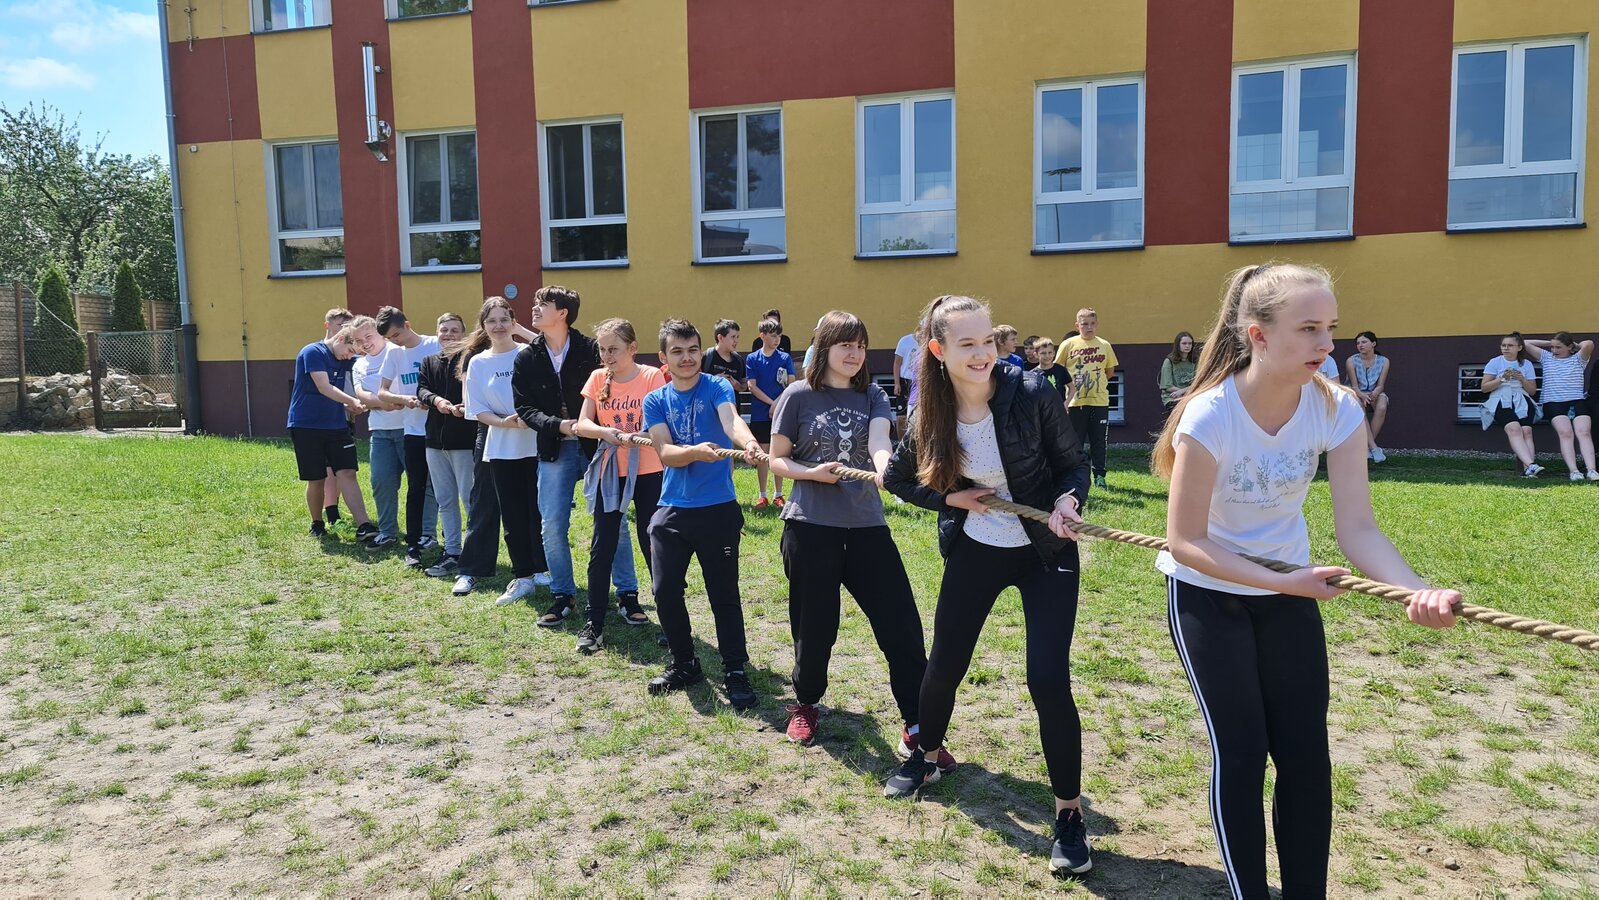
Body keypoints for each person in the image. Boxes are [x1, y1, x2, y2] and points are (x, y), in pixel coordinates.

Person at [1153, 263, 1460, 899]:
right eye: (1310, 329)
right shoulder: (1209, 415)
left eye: (1331, 329)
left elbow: (1360, 530)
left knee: (1305, 756)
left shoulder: (1336, 408)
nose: (1327, 344)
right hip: (1208, 594)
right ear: (1257, 335)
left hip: (1288, 597)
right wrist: (1291, 583)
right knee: (1242, 752)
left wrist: (1415, 590)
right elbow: (1187, 542)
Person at [883, 295, 1094, 876]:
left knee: (1047, 679)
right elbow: (898, 479)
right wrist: (952, 499)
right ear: (938, 350)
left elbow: (1074, 464)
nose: (983, 355)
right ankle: (926, 755)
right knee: (945, 663)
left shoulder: (1031, 391)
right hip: (978, 547)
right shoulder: (931, 410)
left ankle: (1069, 814)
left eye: (987, 342)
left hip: (1045, 549)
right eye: (967, 344)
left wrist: (1068, 501)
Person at [767, 310, 944, 756]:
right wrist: (812, 473)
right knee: (814, 627)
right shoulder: (798, 395)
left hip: (867, 527)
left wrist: (885, 469)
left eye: (861, 345)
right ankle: (807, 703)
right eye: (846, 344)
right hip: (809, 526)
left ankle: (918, 725)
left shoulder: (873, 395)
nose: (855, 353)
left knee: (902, 628)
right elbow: (777, 459)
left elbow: (881, 441)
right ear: (824, 347)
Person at [642, 319, 763, 709]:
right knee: (664, 592)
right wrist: (695, 451)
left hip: (718, 510)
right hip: (672, 510)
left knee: (723, 595)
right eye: (677, 352)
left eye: (693, 350)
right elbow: (665, 453)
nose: (687, 358)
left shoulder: (717, 386)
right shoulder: (655, 400)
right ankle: (684, 663)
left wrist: (748, 443)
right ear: (664, 358)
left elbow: (732, 421)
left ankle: (735, 670)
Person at [512, 285, 637, 627]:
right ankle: (563, 595)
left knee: (613, 518)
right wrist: (559, 425)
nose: (534, 308)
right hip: (554, 447)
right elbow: (525, 408)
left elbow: (615, 385)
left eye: (542, 303)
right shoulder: (526, 357)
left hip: (597, 446)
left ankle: (627, 594)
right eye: (535, 302)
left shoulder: (591, 349)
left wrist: (598, 428)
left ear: (563, 313)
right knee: (552, 524)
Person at [570, 318, 668, 652]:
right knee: (603, 546)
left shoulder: (651, 376)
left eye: (613, 349)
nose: (607, 355)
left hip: (649, 470)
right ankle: (594, 623)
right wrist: (605, 432)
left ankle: (671, 621)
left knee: (654, 544)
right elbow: (583, 423)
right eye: (602, 349)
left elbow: (660, 421)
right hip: (611, 470)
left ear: (632, 348)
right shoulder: (598, 378)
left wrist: (640, 435)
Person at [463, 298, 551, 605]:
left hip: (536, 442)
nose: (498, 326)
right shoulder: (478, 362)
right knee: (513, 514)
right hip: (501, 445)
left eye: (504, 319)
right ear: (483, 326)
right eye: (492, 321)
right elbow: (476, 409)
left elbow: (552, 346)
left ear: (513, 322)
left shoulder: (529, 353)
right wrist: (505, 423)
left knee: (540, 509)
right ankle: (523, 575)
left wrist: (530, 418)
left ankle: (544, 569)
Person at [287, 318, 377, 543]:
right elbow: (324, 386)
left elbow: (368, 362)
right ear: (340, 338)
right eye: (349, 350)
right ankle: (317, 523)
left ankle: (364, 525)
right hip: (306, 424)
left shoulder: (345, 356)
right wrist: (352, 401)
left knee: (347, 472)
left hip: (336, 425)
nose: (349, 356)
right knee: (316, 478)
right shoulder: (313, 352)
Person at [376, 307, 441, 566]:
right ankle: (413, 546)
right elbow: (382, 392)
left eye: (396, 334)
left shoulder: (434, 344)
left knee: (446, 490)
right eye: (389, 338)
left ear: (407, 324)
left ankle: (452, 545)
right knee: (416, 487)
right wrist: (405, 399)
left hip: (441, 429)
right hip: (414, 431)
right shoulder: (394, 353)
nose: (395, 340)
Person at [416, 313, 476, 578]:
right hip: (434, 441)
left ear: (463, 334)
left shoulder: (472, 360)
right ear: (437, 333)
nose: (449, 334)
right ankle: (452, 551)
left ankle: (475, 551)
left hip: (464, 441)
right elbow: (421, 389)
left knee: (469, 498)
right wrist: (436, 401)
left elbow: (478, 394)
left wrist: (467, 407)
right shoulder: (429, 361)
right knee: (445, 499)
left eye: (454, 330)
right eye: (444, 330)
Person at [1055, 308, 1118, 489]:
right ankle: (1074, 475)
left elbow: (1110, 372)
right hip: (1075, 402)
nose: (1089, 327)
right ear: (1077, 325)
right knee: (1075, 442)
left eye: (1092, 324)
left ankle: (1099, 476)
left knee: (1099, 441)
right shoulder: (1068, 344)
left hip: (1099, 402)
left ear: (1097, 324)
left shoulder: (1104, 345)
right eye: (1084, 324)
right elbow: (1058, 371)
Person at [1526, 333, 1597, 481]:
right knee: (1566, 433)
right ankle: (1574, 471)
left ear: (1569, 347)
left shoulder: (1579, 359)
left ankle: (1592, 470)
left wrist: (1575, 346)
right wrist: (1549, 343)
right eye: (1552, 347)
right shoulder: (1546, 357)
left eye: (1558, 347)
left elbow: (1589, 343)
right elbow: (1525, 343)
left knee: (1584, 433)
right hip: (1553, 402)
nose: (1554, 350)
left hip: (1577, 401)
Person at [745, 317, 797, 508]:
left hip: (780, 412)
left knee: (779, 452)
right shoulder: (752, 358)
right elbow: (752, 386)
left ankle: (778, 494)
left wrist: (777, 404)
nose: (777, 340)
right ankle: (762, 494)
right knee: (763, 454)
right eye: (773, 336)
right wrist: (771, 403)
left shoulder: (784, 358)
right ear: (763, 336)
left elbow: (791, 383)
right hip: (760, 413)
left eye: (779, 336)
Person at [1479, 332, 1542, 477]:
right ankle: (1531, 465)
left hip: (1522, 398)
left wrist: (1522, 379)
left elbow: (1532, 391)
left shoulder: (1526, 364)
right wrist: (1502, 378)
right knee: (1514, 429)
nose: (1506, 348)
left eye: (1510, 345)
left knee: (1527, 431)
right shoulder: (1495, 362)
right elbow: (1484, 388)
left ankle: (1529, 470)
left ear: (1519, 347)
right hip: (1501, 399)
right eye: (1503, 345)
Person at [320, 307, 355, 524]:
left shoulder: (349, 352)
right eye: (341, 325)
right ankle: (330, 510)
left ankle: (335, 504)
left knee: (343, 466)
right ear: (328, 325)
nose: (345, 330)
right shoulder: (319, 352)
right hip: (325, 419)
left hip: (345, 416)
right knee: (328, 468)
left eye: (348, 326)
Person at [1346, 332, 1391, 463]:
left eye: (1364, 342)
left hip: (1373, 392)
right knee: (1359, 404)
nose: (1360, 345)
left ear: (1373, 344)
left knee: (1382, 405)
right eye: (1358, 343)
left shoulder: (1384, 361)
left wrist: (1375, 393)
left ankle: (1366, 446)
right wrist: (1362, 395)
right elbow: (1354, 386)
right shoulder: (1351, 361)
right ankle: (1374, 448)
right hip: (1356, 393)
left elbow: (1381, 385)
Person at [703, 319, 746, 392]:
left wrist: (739, 387)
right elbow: (694, 382)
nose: (736, 341)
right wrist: (714, 380)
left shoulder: (739, 360)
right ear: (720, 338)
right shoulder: (706, 357)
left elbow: (744, 384)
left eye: (737, 337)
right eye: (733, 337)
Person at [1159, 331, 1198, 410]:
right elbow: (1168, 387)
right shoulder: (1169, 361)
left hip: (1190, 397)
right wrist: (1184, 392)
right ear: (1178, 345)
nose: (1187, 346)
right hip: (1172, 398)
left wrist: (1182, 391)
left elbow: (1198, 384)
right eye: (1184, 343)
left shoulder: (1195, 361)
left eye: (1190, 343)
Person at [893, 329, 920, 438]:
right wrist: (897, 383)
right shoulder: (905, 341)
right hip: (904, 381)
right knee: (901, 418)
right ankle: (901, 444)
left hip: (920, 382)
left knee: (918, 418)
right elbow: (897, 364)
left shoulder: (929, 341)